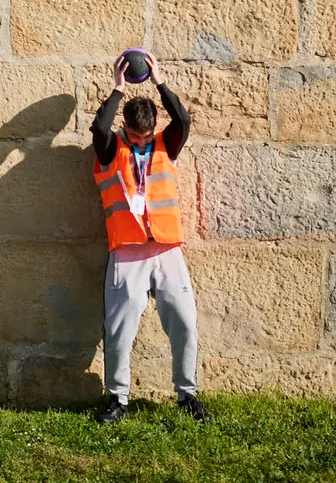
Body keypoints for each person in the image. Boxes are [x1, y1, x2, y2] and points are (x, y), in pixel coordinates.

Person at [91, 51, 210, 424]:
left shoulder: (165, 144)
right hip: (127, 252)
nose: (142, 140)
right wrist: (117, 88)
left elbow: (183, 119)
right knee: (120, 327)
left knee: (185, 320)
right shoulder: (113, 148)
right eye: (136, 135)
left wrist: (159, 81)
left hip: (167, 248)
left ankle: (187, 394)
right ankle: (118, 399)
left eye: (147, 134)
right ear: (126, 128)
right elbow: (98, 128)